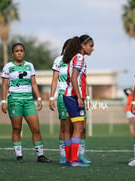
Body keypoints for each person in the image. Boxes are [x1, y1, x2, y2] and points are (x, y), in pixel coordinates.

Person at [1, 42, 51, 163]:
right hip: (14, 100)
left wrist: (39, 98)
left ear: (24, 52)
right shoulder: (8, 67)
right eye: (17, 51)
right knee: (17, 128)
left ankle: (40, 155)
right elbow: (4, 85)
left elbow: (33, 83)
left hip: (28, 100)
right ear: (13, 53)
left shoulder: (29, 66)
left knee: (36, 128)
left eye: (21, 51)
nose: (19, 53)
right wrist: (3, 101)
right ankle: (19, 156)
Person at [49, 38, 91, 165]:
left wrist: (87, 97)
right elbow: (55, 79)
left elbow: (83, 80)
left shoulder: (77, 60)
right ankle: (66, 156)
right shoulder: (60, 60)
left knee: (81, 127)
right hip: (67, 95)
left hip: (75, 95)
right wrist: (52, 97)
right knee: (66, 127)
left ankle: (79, 155)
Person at [62, 35, 94, 167]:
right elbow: (74, 79)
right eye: (91, 46)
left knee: (73, 128)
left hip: (70, 96)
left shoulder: (75, 57)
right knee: (79, 127)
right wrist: (79, 97)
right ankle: (74, 160)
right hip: (73, 97)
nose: (93, 49)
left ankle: (70, 159)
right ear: (83, 45)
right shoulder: (79, 58)